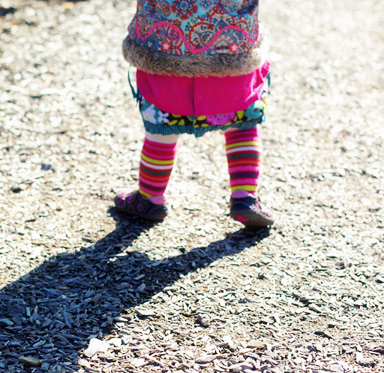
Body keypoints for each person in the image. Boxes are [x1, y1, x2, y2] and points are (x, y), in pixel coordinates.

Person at [115, 0, 274, 228]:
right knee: (242, 127)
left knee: (162, 132)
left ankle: (150, 198)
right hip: (231, 54)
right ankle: (245, 198)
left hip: (167, 53)